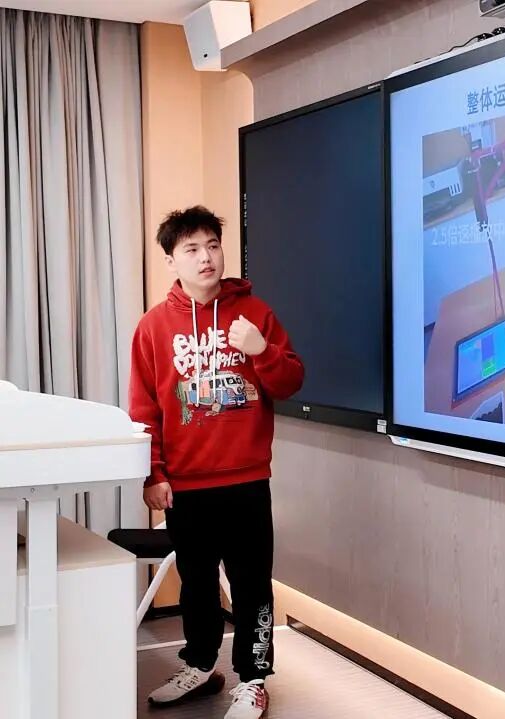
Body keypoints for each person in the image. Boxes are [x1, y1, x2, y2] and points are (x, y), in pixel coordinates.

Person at [129, 206, 304, 718]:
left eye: (212, 245)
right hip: (184, 485)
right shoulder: (153, 328)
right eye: (191, 249)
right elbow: (143, 409)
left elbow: (291, 381)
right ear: (171, 260)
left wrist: (261, 349)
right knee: (197, 583)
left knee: (252, 586)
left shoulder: (256, 314)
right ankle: (201, 666)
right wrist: (153, 473)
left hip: (246, 480)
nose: (206, 257)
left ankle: (254, 679)